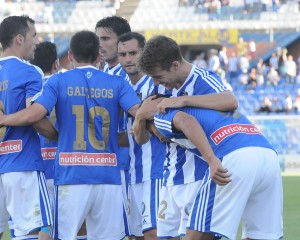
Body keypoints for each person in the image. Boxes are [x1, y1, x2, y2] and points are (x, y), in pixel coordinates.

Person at [0, 30, 141, 240]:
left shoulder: (58, 81)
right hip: (108, 176)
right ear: (98, 57)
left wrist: (4, 120)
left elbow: (35, 116)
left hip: (71, 174)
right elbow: (139, 113)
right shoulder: (118, 84)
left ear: (71, 56)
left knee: (65, 236)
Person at [133, 35, 238, 239]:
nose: (155, 82)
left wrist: (181, 101)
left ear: (174, 65)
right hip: (170, 178)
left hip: (199, 177)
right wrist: (140, 117)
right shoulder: (158, 86)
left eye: (157, 76)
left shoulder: (203, 79)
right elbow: (141, 138)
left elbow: (230, 101)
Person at [152, 99, 283, 240]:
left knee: (198, 234)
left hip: (233, 155)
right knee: (261, 235)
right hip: (268, 154)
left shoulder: (162, 114)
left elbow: (185, 121)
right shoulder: (214, 108)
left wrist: (212, 160)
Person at [0, 15, 56, 240]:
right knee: (35, 232)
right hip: (21, 164)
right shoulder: (30, 71)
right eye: (33, 36)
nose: (36, 41)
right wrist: (59, 137)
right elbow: (36, 117)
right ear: (20, 38)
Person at [117, 32, 167, 240]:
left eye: (133, 53)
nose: (128, 59)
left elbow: (164, 131)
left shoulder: (155, 86)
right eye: (123, 54)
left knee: (155, 233)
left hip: (153, 170)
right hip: (132, 173)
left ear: (143, 52)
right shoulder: (122, 87)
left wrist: (145, 123)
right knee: (136, 235)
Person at [95, 16, 132, 236]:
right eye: (97, 38)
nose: (100, 44)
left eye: (106, 38)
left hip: (125, 163)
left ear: (122, 41)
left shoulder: (126, 76)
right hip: (109, 163)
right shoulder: (106, 74)